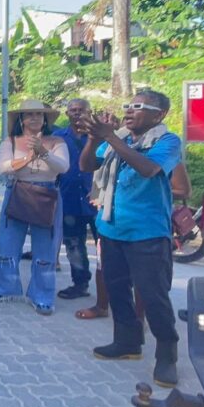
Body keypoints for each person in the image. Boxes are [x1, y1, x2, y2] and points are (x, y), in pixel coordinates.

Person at [78, 90, 183, 388]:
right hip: (111, 228)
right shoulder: (119, 137)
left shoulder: (168, 141)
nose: (129, 110)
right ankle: (127, 342)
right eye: (128, 105)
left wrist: (110, 137)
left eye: (139, 106)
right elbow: (87, 166)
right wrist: (93, 138)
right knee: (116, 288)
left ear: (158, 114)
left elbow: (149, 169)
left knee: (153, 295)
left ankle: (167, 354)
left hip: (148, 233)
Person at [0, 100, 69, 315]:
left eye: (39, 115)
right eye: (29, 114)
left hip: (47, 194)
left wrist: (44, 152)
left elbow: (63, 167)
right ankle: (3, 288)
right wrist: (30, 156)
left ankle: (42, 296)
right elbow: (4, 168)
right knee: (7, 243)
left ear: (45, 119)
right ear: (21, 119)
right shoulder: (10, 142)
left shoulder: (56, 141)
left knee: (46, 247)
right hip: (17, 191)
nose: (34, 118)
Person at [53, 99, 99, 300]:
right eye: (73, 110)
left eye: (81, 110)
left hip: (98, 199)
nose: (77, 114)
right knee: (73, 243)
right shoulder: (58, 137)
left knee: (106, 245)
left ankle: (114, 287)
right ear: (66, 113)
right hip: (69, 197)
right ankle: (80, 283)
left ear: (90, 112)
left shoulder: (102, 136)